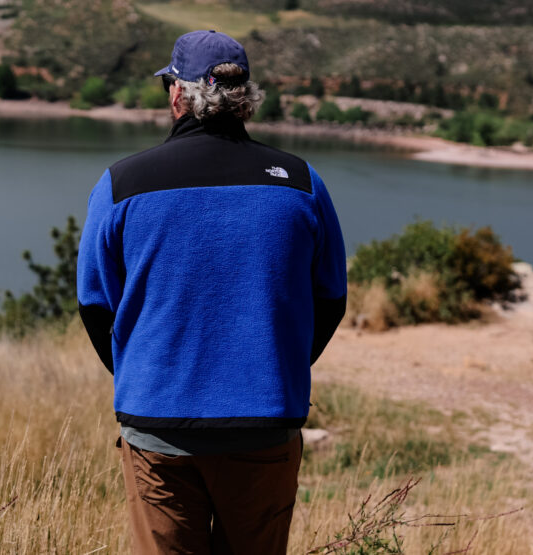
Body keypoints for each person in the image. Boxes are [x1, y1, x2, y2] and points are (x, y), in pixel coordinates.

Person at [76, 30, 347, 554]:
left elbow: (94, 306)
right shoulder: (300, 182)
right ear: (243, 98)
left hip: (158, 426)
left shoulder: (121, 184)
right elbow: (330, 298)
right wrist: (278, 362)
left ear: (178, 95)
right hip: (266, 423)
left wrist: (144, 370)